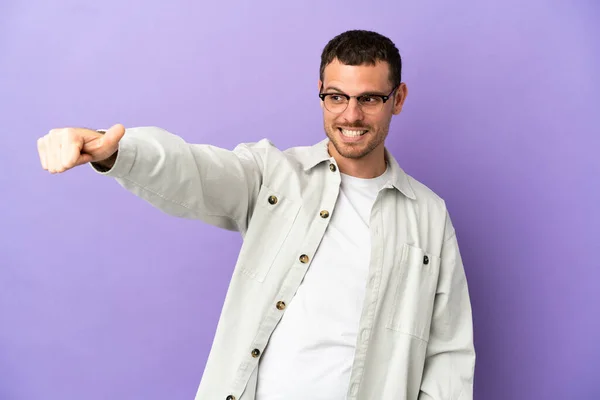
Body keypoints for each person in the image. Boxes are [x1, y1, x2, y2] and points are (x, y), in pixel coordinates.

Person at [37, 30, 475, 400]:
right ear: (320, 92)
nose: (351, 115)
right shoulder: (273, 176)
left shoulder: (429, 216)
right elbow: (194, 169)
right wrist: (118, 152)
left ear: (397, 99)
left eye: (370, 99)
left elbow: (448, 356)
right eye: (336, 96)